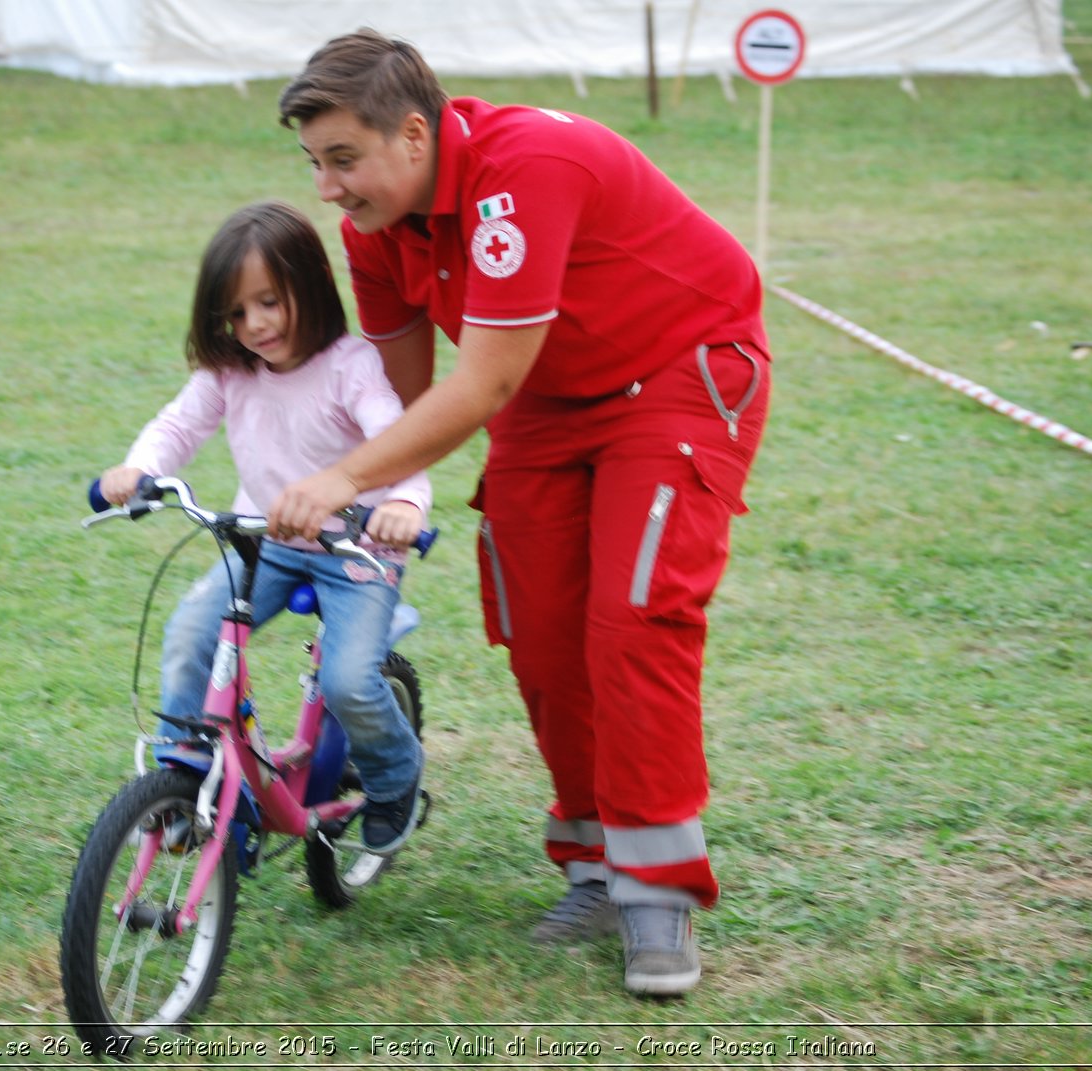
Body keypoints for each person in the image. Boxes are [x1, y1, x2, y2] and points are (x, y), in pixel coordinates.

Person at [269, 30, 771, 995]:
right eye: (315, 165)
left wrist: (341, 485)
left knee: (632, 623)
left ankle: (657, 890)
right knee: (541, 633)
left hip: (675, 372)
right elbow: (405, 402)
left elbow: (484, 381)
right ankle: (595, 864)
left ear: (414, 135)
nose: (328, 188)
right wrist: (329, 487)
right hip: (547, 395)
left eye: (343, 159)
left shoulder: (526, 166)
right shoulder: (375, 229)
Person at [97, 200, 431, 855]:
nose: (255, 325)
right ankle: (185, 767)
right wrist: (140, 468)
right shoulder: (231, 369)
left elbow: (399, 442)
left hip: (357, 548)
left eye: (270, 302)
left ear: (307, 286)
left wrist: (406, 508)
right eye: (238, 312)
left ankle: (396, 773)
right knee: (194, 630)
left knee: (346, 679)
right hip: (266, 542)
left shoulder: (349, 366)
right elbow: (179, 424)